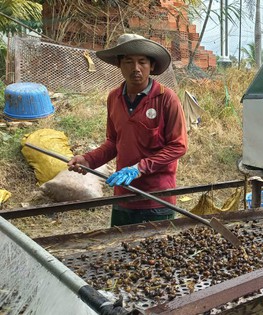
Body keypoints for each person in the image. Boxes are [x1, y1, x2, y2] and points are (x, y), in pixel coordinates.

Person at [67, 33, 188, 226]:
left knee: (156, 252)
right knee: (120, 248)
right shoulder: (114, 98)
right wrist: (88, 160)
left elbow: (178, 146)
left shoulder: (166, 98)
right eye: (129, 62)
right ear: (119, 64)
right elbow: (114, 142)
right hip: (123, 195)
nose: (136, 68)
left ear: (152, 66)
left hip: (156, 197)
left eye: (142, 62)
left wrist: (139, 168)